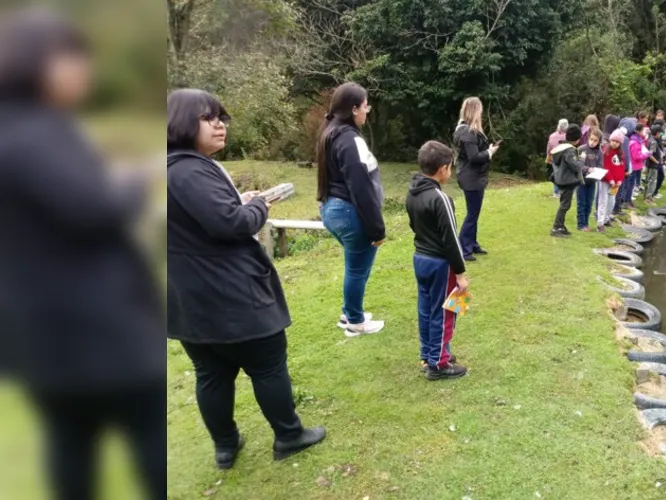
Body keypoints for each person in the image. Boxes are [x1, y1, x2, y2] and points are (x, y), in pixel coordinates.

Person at [0, 9, 166, 498]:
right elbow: (93, 210)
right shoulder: (33, 133)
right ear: (40, 63)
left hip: (40, 327)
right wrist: (133, 183)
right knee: (147, 428)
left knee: (70, 437)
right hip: (93, 325)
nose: (84, 72)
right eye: (73, 59)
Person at [168, 89, 326, 469]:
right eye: (209, 118)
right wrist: (256, 206)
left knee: (212, 373)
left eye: (222, 117)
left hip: (188, 298)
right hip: (230, 295)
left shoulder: (169, 168)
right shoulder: (188, 170)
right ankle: (288, 435)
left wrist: (237, 200)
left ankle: (225, 447)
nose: (220, 124)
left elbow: (200, 221)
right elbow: (230, 224)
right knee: (268, 365)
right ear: (181, 121)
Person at [317, 82, 386, 335]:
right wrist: (377, 228)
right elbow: (360, 186)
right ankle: (355, 321)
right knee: (357, 269)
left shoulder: (330, 131)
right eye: (366, 106)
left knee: (354, 265)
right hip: (348, 212)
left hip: (332, 209)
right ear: (355, 108)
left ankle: (350, 312)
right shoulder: (348, 139)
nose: (367, 111)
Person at [406, 141, 470, 381]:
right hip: (440, 264)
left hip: (420, 258)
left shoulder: (412, 193)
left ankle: (429, 354)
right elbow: (451, 240)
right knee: (445, 312)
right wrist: (460, 274)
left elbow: (415, 226)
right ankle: (439, 364)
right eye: (450, 167)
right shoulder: (440, 198)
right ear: (443, 168)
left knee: (426, 309)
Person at [454, 97, 499, 261]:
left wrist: (487, 151)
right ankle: (463, 249)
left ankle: (471, 244)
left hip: (472, 176)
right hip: (471, 177)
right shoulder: (467, 132)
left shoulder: (464, 130)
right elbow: (473, 157)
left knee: (474, 213)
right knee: (472, 214)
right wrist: (490, 152)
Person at [549, 124, 585, 237]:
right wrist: (582, 159)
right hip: (567, 181)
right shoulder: (569, 150)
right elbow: (575, 166)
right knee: (565, 205)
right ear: (578, 139)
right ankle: (556, 228)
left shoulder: (560, 147)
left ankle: (561, 226)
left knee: (564, 204)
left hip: (560, 179)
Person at [597, 130, 627, 232]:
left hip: (615, 183)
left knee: (611, 201)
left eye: (617, 141)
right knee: (603, 201)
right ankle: (600, 223)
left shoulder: (621, 154)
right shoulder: (606, 151)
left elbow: (621, 168)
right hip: (605, 180)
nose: (614, 143)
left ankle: (606, 218)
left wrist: (620, 180)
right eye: (613, 140)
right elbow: (605, 167)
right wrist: (610, 179)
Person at [575, 128, 602, 231]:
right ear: (588, 137)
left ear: (599, 141)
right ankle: (581, 225)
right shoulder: (581, 149)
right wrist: (588, 169)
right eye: (591, 139)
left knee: (589, 203)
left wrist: (598, 171)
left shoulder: (600, 153)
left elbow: (601, 166)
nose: (592, 142)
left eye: (595, 140)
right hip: (581, 181)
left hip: (592, 182)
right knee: (581, 203)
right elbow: (578, 165)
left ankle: (586, 223)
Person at [614, 116, 637, 212]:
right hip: (622, 169)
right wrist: (627, 169)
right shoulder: (625, 139)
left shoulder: (615, 134)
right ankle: (617, 208)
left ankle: (616, 208)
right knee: (620, 189)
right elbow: (626, 155)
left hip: (615, 167)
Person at [628, 123, 651, 203]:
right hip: (634, 166)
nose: (645, 132)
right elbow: (636, 156)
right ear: (638, 131)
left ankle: (629, 197)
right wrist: (646, 154)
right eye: (643, 131)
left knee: (633, 182)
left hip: (637, 166)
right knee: (631, 183)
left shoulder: (638, 140)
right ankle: (628, 198)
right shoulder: (634, 142)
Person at [545, 119, 568, 196]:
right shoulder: (568, 136)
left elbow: (549, 147)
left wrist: (548, 155)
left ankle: (556, 192)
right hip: (566, 158)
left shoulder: (552, 136)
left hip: (555, 158)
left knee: (556, 173)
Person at [644, 123, 665, 202]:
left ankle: (647, 196)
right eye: (660, 133)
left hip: (650, 164)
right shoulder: (653, 142)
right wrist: (657, 162)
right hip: (653, 165)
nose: (660, 135)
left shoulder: (650, 139)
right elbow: (650, 155)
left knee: (648, 180)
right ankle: (648, 197)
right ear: (658, 133)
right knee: (652, 181)